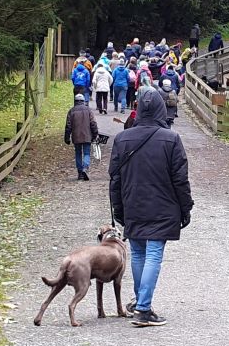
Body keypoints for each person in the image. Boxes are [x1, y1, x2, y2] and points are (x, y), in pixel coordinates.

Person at [109, 89, 194, 326]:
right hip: (163, 206)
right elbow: (180, 179)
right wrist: (185, 208)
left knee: (138, 253)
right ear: (160, 109)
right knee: (153, 253)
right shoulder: (170, 139)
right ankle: (143, 309)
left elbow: (114, 179)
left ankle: (140, 302)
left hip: (132, 202)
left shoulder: (122, 138)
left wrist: (118, 209)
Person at [64, 93, 98, 181]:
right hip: (87, 136)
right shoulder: (89, 110)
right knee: (87, 153)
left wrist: (67, 138)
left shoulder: (71, 111)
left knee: (78, 153)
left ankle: (80, 172)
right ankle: (85, 168)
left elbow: (68, 126)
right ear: (83, 101)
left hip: (76, 136)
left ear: (75, 101)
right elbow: (93, 123)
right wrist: (95, 134)